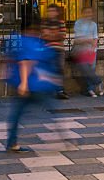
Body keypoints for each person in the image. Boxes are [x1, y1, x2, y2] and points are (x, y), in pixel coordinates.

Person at [5, 18, 62, 153]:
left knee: (17, 114)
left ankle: (12, 142)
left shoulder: (23, 41)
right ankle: (64, 136)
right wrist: (24, 83)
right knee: (49, 110)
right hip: (32, 87)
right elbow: (26, 62)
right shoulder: (31, 42)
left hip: (33, 86)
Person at [72, 6, 103, 97]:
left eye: (90, 12)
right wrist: (88, 40)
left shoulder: (93, 25)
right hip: (81, 51)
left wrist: (92, 47)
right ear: (82, 13)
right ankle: (98, 83)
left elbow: (95, 38)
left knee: (91, 70)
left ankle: (91, 90)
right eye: (86, 12)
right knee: (86, 70)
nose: (88, 14)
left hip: (91, 50)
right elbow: (78, 39)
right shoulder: (78, 23)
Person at [42, 3, 69, 99]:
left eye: (53, 11)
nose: (51, 13)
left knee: (59, 69)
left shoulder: (61, 22)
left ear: (57, 12)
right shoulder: (45, 23)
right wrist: (55, 34)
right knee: (50, 69)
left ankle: (60, 90)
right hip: (49, 50)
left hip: (59, 50)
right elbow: (44, 36)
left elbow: (62, 35)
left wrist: (51, 34)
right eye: (49, 11)